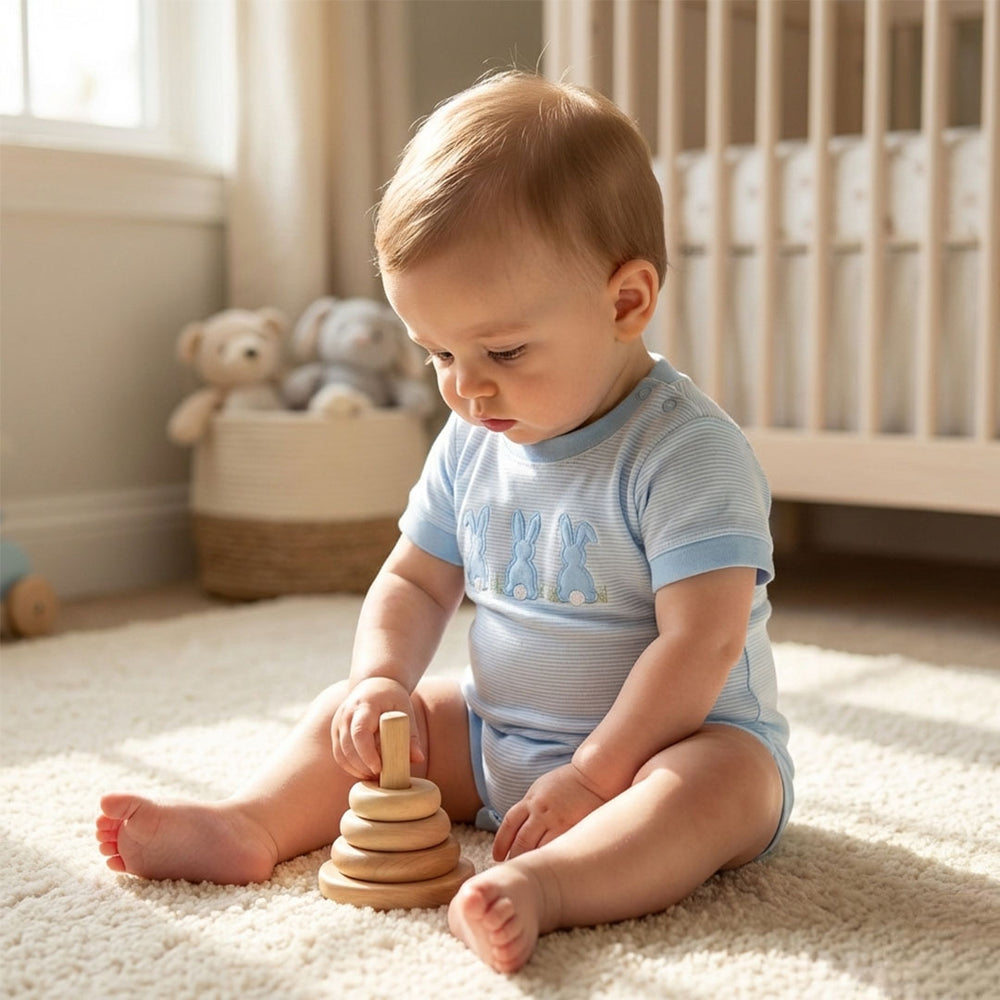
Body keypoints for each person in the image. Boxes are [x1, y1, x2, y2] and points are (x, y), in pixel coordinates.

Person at [96, 71, 793, 974]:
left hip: (672, 744)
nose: (465, 387)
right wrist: (379, 680)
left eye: (502, 351)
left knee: (706, 793)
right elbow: (415, 580)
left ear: (627, 302)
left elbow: (702, 644)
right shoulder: (472, 439)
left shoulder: (685, 453)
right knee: (361, 717)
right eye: (437, 354)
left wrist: (593, 775)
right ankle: (251, 824)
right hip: (496, 737)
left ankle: (553, 886)